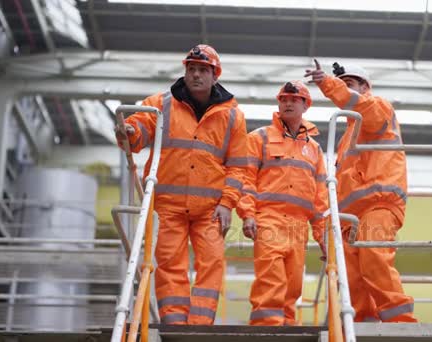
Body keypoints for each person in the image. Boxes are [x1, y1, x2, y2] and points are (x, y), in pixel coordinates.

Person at [114, 44, 247, 325]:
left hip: (211, 209)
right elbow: (138, 130)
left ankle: (200, 328)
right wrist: (129, 131)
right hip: (167, 206)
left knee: (211, 263)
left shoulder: (233, 115)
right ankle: (174, 324)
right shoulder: (160, 103)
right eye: (191, 69)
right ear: (185, 72)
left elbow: (239, 166)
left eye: (202, 70)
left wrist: (227, 204)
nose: (196, 75)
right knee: (169, 264)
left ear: (215, 75)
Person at [304, 61, 417, 322]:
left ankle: (401, 324)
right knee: (351, 275)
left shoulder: (378, 108)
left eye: (350, 85)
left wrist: (329, 83)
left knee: (374, 259)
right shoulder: (347, 136)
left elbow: (361, 106)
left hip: (379, 203)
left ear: (365, 88)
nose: (346, 91)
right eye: (343, 85)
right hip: (349, 216)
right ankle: (361, 324)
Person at [236, 80, 328, 326]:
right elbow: (246, 179)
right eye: (284, 99)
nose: (287, 103)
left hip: (299, 227)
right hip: (268, 219)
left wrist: (323, 238)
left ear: (305, 105)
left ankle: (287, 327)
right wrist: (248, 214)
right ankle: (267, 328)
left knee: (293, 283)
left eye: (294, 99)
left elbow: (320, 198)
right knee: (271, 279)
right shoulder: (259, 138)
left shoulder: (315, 150)